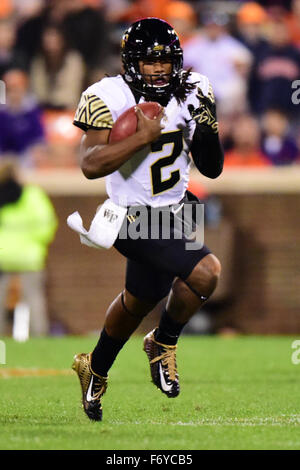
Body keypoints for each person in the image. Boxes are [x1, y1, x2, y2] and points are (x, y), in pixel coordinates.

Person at [71, 17, 224, 422]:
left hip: (179, 206)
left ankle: (95, 368)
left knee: (138, 301)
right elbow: (88, 164)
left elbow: (212, 169)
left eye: (165, 61)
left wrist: (207, 127)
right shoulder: (107, 93)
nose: (158, 69)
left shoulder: (196, 87)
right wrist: (141, 137)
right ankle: (163, 342)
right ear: (129, 62)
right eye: (148, 61)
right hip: (129, 215)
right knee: (206, 273)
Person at [0, 160, 58, 336]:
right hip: (30, 256)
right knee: (34, 299)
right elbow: (47, 223)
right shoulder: (33, 195)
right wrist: (36, 243)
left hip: (3, 256)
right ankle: (38, 336)